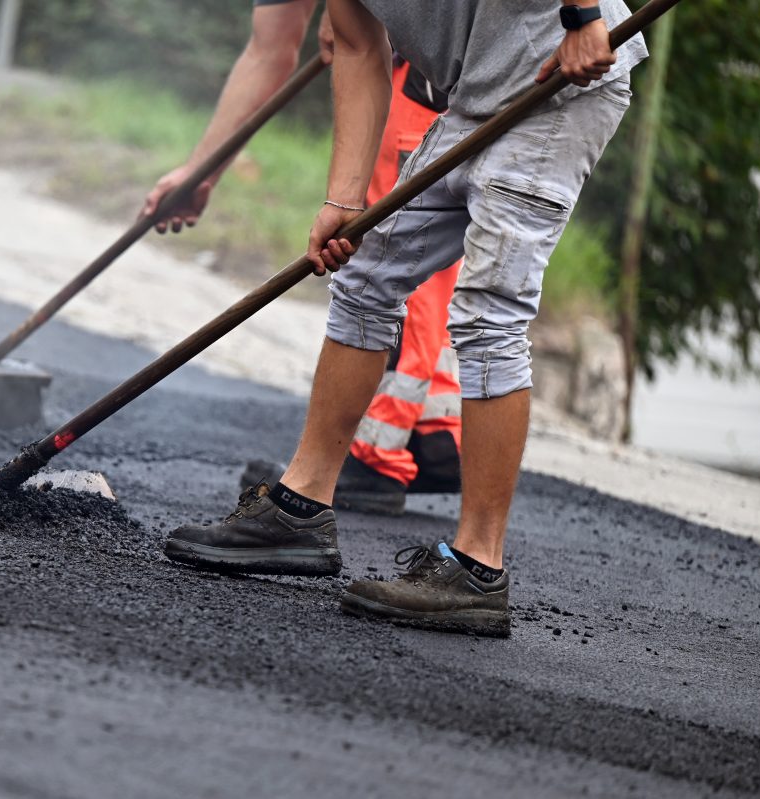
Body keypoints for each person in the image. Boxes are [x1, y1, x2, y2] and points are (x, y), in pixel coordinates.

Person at [164, 0, 646, 637]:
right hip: (477, 95)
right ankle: (300, 508)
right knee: (366, 271)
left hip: (557, 84)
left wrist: (585, 13)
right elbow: (361, 49)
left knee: (488, 315)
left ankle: (478, 568)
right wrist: (343, 199)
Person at [143, 0, 462, 517]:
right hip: (409, 69)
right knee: (416, 254)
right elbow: (270, 46)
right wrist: (202, 170)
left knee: (395, 252)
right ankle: (430, 437)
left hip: (426, 73)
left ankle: (377, 453)